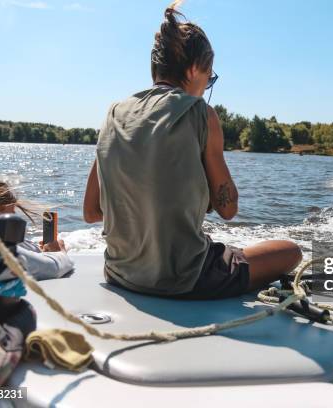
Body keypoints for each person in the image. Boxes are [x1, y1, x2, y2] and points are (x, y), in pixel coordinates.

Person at [83, 3, 301, 299]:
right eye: (209, 78)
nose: (206, 86)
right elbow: (228, 209)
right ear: (195, 68)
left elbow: (91, 212)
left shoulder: (113, 113)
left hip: (120, 273)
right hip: (187, 278)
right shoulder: (202, 114)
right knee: (290, 251)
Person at [0, 174, 74, 280]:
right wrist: (60, 254)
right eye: (11, 216)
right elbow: (47, 268)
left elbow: (8, 247)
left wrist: (39, 250)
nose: (15, 221)